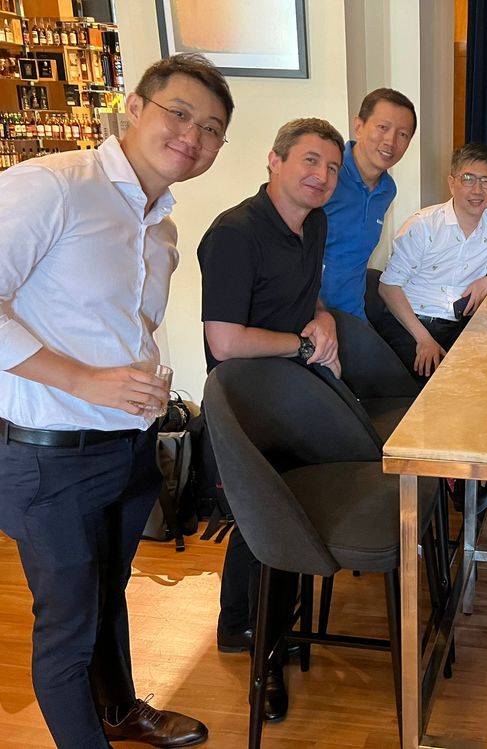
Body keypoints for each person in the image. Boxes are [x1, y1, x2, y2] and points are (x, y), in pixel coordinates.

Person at [0, 53, 233, 749]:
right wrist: (81, 379)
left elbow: (124, 326)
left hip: (126, 448)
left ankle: (120, 710)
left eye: (211, 129)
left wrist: (144, 381)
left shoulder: (161, 227)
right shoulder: (53, 186)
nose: (192, 136)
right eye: (179, 113)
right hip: (47, 459)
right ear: (134, 107)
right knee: (68, 627)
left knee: (108, 595)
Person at [197, 117, 345, 722]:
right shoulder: (234, 233)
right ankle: (267, 651)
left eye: (332, 167)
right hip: (245, 400)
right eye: (310, 161)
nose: (322, 176)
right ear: (274, 160)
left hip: (291, 387)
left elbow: (308, 296)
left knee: (270, 518)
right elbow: (225, 341)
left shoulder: (315, 223)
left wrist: (323, 320)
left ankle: (238, 624)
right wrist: (304, 346)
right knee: (274, 518)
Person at [377, 142, 487, 382]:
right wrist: (424, 339)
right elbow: (388, 287)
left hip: (460, 326)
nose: (477, 190)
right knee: (445, 386)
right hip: (412, 324)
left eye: (486, 181)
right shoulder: (422, 225)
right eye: (468, 179)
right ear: (452, 183)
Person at [319, 88, 417, 321]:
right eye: (382, 127)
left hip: (352, 314)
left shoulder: (387, 190)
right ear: (359, 126)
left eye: (403, 134)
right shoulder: (326, 174)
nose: (390, 141)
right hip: (311, 317)